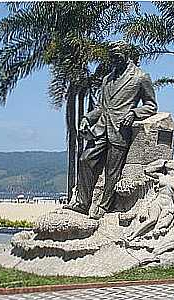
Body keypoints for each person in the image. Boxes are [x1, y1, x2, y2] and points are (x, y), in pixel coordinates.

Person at [64, 41, 157, 219]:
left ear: (125, 54)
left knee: (112, 171)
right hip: (101, 129)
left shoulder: (140, 77)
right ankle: (83, 203)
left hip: (120, 130)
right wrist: (86, 118)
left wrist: (134, 113)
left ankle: (103, 207)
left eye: (116, 56)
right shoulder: (107, 79)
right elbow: (101, 107)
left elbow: (151, 105)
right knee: (85, 160)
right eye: (112, 57)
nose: (113, 60)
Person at [125, 159, 174, 241]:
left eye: (170, 162)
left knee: (160, 225)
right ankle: (133, 235)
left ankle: (145, 238)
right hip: (158, 201)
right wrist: (161, 164)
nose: (168, 162)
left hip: (168, 206)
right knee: (152, 219)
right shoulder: (161, 176)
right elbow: (147, 171)